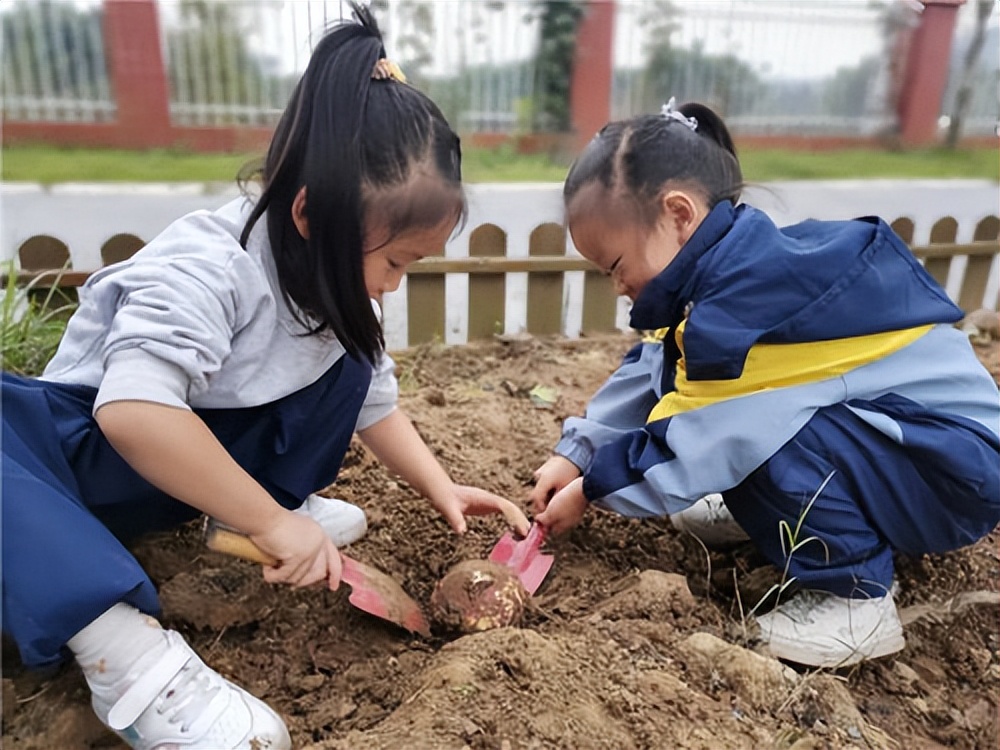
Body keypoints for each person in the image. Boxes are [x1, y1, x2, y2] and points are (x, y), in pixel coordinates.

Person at [2, 7, 529, 750]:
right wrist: (275, 524)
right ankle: (124, 654)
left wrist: (437, 485)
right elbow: (133, 412)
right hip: (77, 469)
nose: (395, 285)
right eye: (396, 262)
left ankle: (233, 509)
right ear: (312, 213)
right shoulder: (208, 266)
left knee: (350, 356)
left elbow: (373, 402)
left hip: (179, 478)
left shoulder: (328, 288)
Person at [530, 98, 1000, 669]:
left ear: (678, 215)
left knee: (755, 429)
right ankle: (788, 514)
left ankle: (855, 597)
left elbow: (706, 437)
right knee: (746, 415)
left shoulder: (749, 311)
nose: (617, 285)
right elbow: (655, 366)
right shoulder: (731, 277)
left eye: (613, 265)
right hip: (914, 451)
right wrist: (578, 454)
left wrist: (593, 489)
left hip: (953, 474)